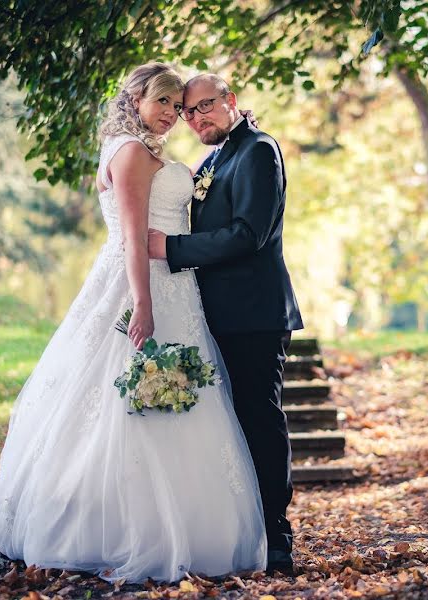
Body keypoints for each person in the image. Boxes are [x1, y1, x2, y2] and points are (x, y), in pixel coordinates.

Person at [0, 62, 267, 584]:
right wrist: (143, 304)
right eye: (163, 103)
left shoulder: (142, 150)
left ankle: (183, 523)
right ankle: (119, 527)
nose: (172, 115)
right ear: (136, 98)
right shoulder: (133, 153)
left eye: (177, 107)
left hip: (175, 286)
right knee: (124, 398)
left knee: (169, 397)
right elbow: (133, 238)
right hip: (147, 285)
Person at [147, 73, 303, 574]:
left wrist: (168, 249)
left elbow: (247, 234)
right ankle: (239, 529)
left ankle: (277, 536)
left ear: (231, 101)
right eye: (189, 112)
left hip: (254, 314)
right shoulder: (212, 158)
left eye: (205, 106)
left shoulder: (258, 150)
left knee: (258, 417)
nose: (196, 118)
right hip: (210, 315)